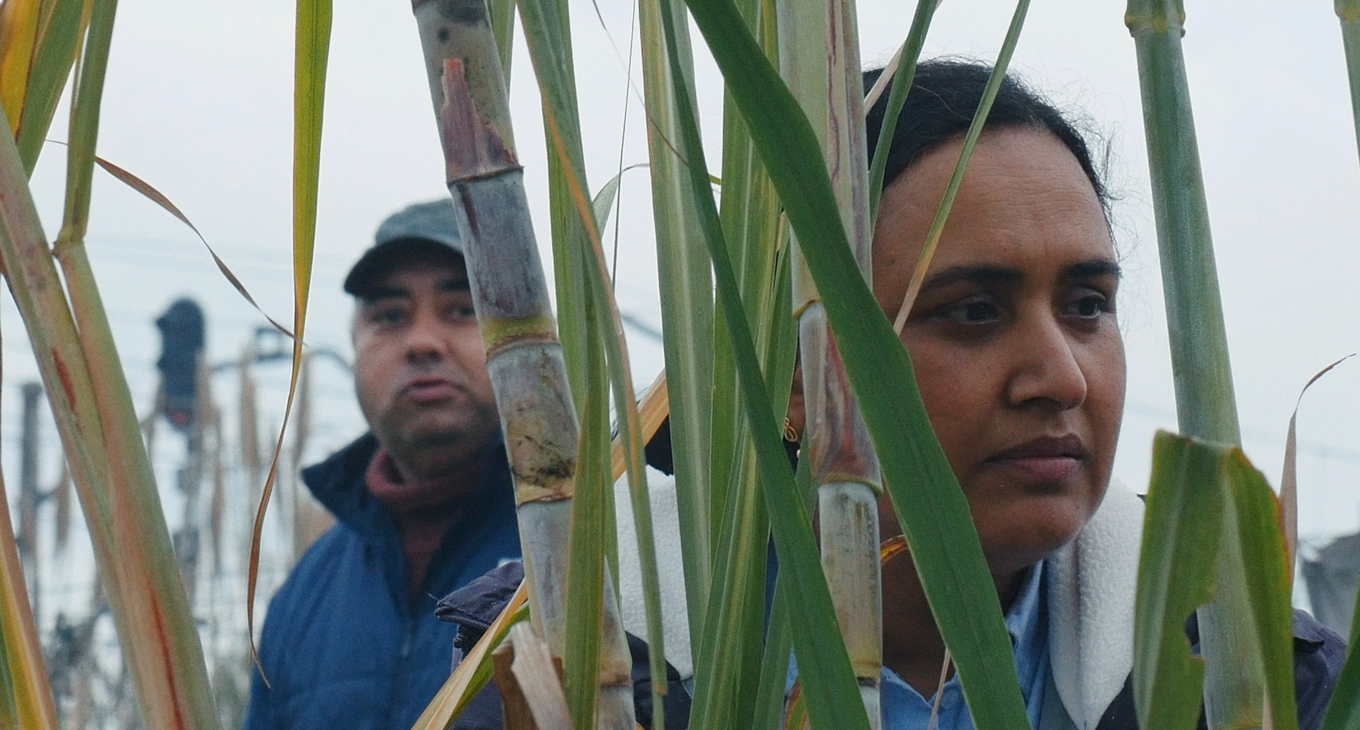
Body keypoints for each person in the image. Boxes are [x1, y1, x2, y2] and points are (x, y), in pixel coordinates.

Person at [784, 59, 1342, 730]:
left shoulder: (1268, 685)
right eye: (973, 312)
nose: (1063, 378)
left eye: (1086, 305)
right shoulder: (644, 668)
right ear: (797, 374)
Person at [243, 200, 522, 730]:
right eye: (390, 316)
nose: (421, 342)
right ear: (355, 346)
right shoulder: (303, 597)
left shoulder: (597, 541)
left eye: (463, 310)